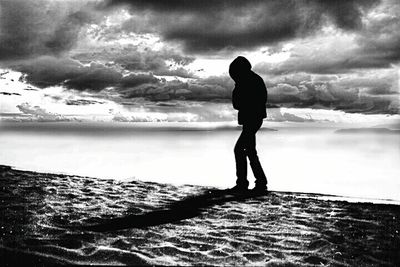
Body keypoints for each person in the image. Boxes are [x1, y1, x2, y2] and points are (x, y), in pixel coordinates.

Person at [228, 56, 268, 193]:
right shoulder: (253, 80)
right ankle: (259, 182)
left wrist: (239, 91)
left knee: (239, 150)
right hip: (252, 119)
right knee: (250, 151)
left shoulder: (249, 81)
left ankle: (243, 183)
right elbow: (237, 103)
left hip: (252, 119)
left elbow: (238, 103)